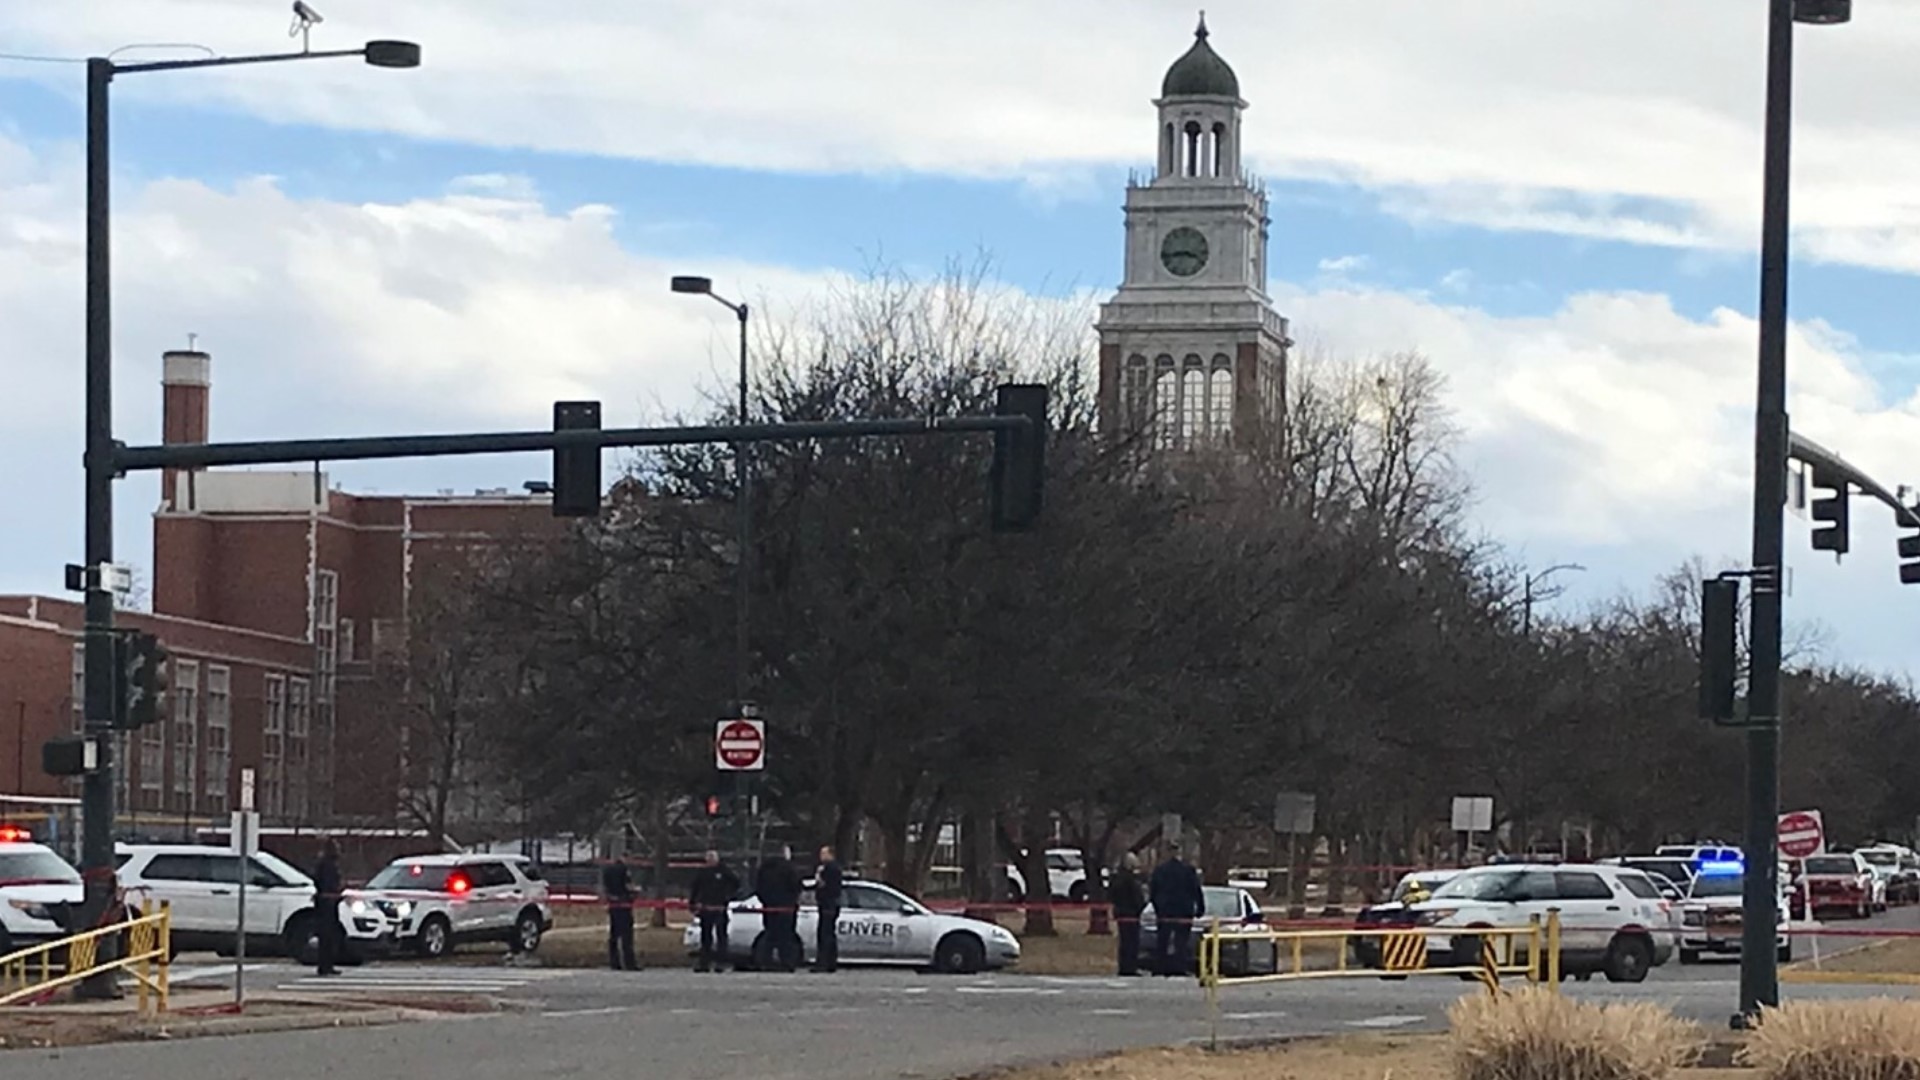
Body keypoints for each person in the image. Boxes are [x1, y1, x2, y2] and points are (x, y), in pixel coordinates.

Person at [1149, 843, 1204, 977]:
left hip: (1165, 910)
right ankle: (1179, 967)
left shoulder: (1160, 870)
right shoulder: (1188, 870)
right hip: (1183, 910)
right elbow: (1196, 890)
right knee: (1181, 941)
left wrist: (1157, 907)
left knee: (1162, 940)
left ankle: (1160, 967)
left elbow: (1153, 892)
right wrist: (1200, 908)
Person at [688, 850, 740, 973]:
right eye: (708, 858)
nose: (710, 860)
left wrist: (728, 897)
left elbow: (736, 884)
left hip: (720, 907)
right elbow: (695, 888)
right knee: (706, 936)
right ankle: (704, 963)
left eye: (712, 857)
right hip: (706, 907)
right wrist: (693, 903)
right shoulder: (702, 872)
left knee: (721, 935)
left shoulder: (724, 871)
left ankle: (721, 962)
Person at [754, 845, 804, 971]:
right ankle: (786, 963)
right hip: (786, 907)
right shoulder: (789, 868)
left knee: (769, 934)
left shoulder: (764, 868)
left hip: (769, 907)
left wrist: (765, 900)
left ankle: (765, 961)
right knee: (786, 936)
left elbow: (757, 886)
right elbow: (795, 885)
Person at [1107, 852, 1147, 976]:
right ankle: (1130, 967)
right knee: (1132, 941)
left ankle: (1124, 966)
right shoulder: (1130, 880)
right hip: (1131, 913)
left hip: (1120, 912)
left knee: (1124, 941)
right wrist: (1141, 906)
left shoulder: (1116, 878)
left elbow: (1111, 895)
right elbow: (1137, 898)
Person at [312, 837, 345, 977]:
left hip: (328, 902)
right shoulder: (328, 865)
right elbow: (327, 884)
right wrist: (334, 894)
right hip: (327, 904)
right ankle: (325, 966)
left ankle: (326, 965)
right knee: (327, 936)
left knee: (328, 936)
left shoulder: (325, 864)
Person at [601, 850, 638, 971]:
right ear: (626, 857)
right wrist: (635, 892)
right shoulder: (624, 870)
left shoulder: (608, 870)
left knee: (614, 934)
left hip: (613, 904)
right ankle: (629, 963)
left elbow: (605, 887)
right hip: (624, 903)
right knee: (627, 935)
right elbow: (628, 886)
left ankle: (614, 962)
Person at [812, 845, 844, 973]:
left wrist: (819, 875)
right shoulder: (835, 868)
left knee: (825, 934)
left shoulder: (830, 869)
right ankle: (830, 962)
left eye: (823, 854)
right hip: (831, 904)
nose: (821, 856)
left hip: (827, 904)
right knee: (829, 933)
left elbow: (823, 884)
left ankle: (823, 962)